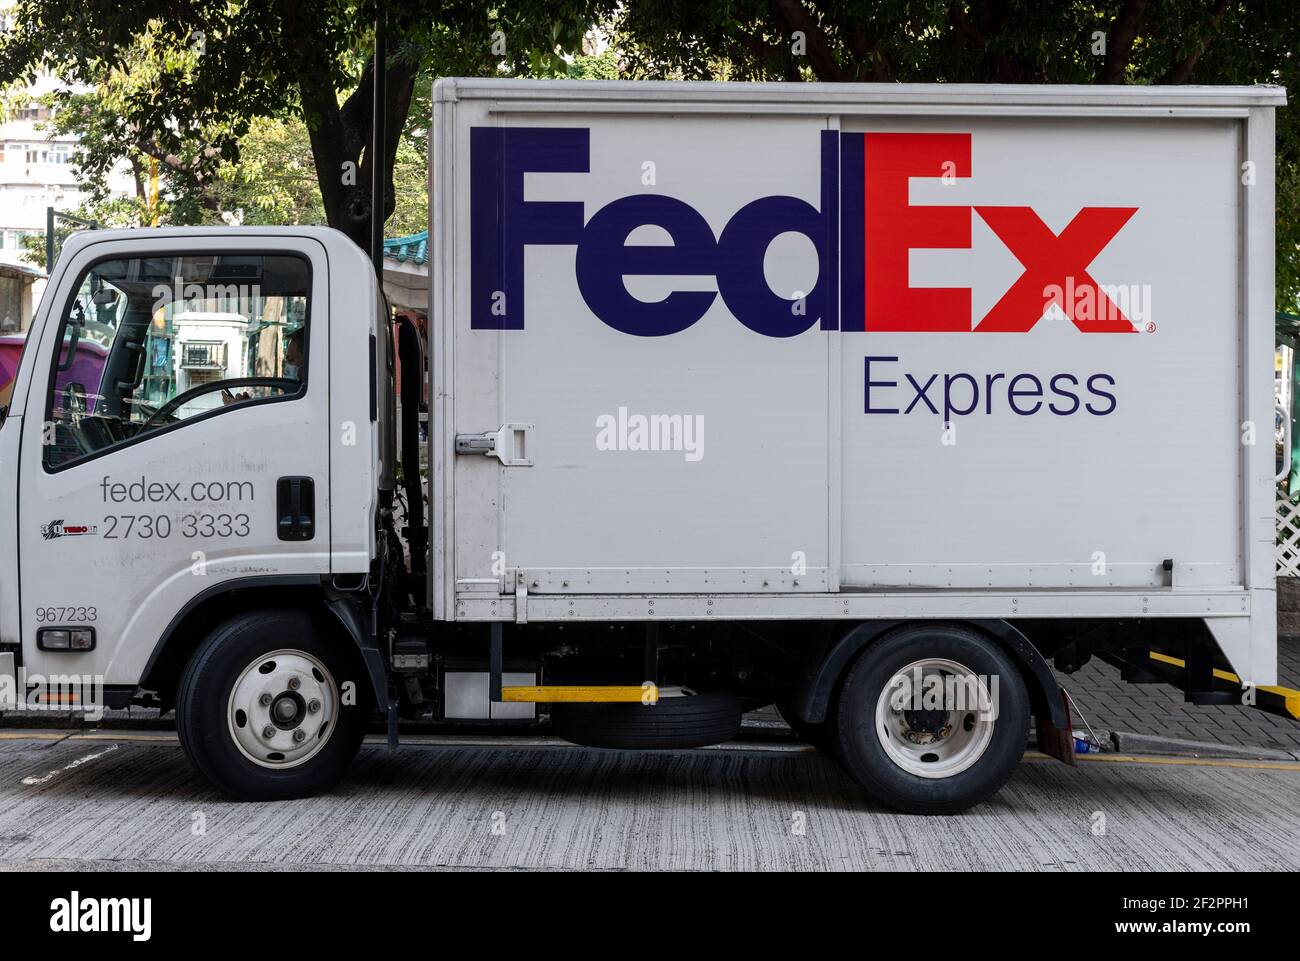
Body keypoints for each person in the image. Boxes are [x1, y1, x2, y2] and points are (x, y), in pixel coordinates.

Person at [222, 327, 303, 405]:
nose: (286, 366)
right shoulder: (297, 399)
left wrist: (240, 410)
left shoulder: (301, 402)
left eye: (291, 360)